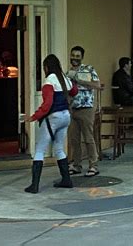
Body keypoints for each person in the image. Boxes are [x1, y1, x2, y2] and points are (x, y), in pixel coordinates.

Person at [24, 54, 77, 194]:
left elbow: (47, 104)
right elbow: (74, 91)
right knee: (59, 148)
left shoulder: (49, 80)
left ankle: (34, 185)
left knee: (40, 150)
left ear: (46, 67)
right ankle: (66, 180)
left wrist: (34, 117)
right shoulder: (64, 78)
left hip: (53, 117)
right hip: (66, 116)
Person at [67, 46, 101, 177]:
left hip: (86, 107)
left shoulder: (88, 69)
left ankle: (93, 165)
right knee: (74, 139)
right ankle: (76, 165)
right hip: (73, 108)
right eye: (73, 55)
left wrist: (79, 80)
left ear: (82, 57)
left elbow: (97, 85)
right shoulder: (68, 72)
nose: (74, 58)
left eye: (77, 56)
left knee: (88, 138)